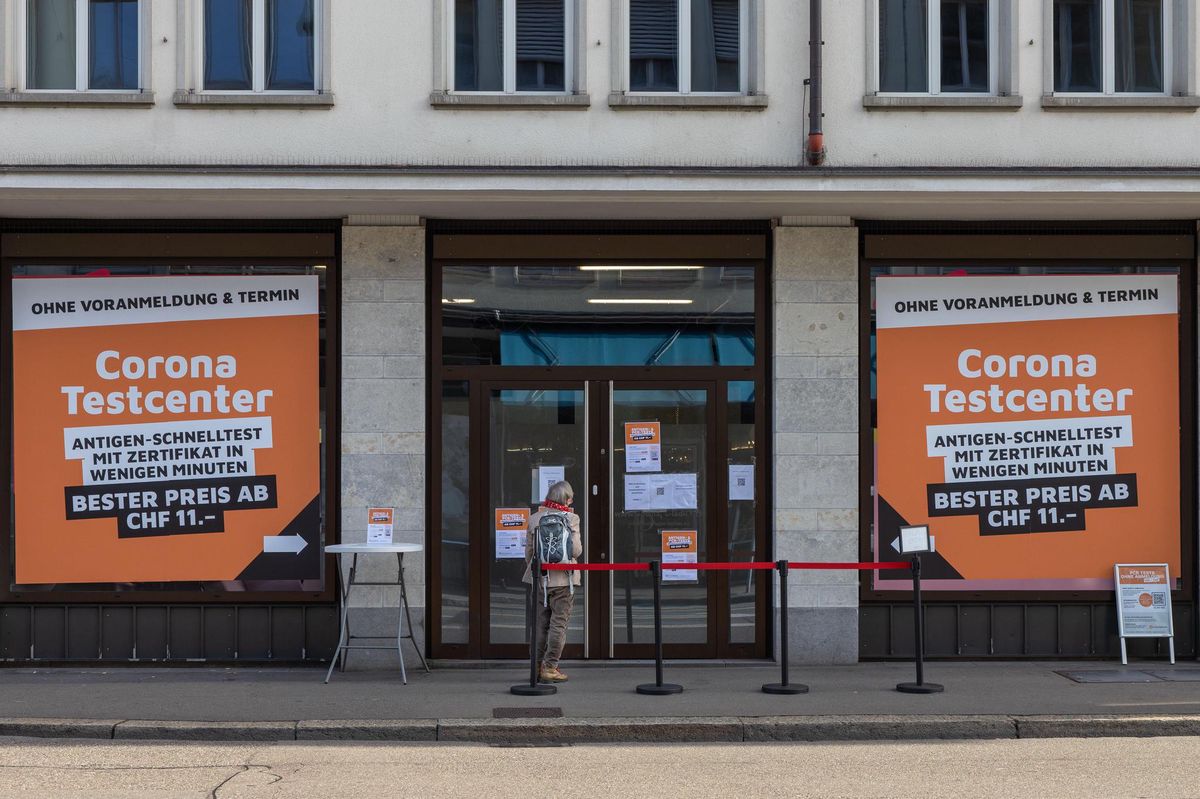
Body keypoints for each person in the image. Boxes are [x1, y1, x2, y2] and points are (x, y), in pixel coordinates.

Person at [522, 480, 582, 683]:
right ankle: (550, 667)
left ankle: (535, 667)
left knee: (540, 625)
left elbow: (529, 553)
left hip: (540, 580)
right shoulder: (571, 518)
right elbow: (576, 551)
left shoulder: (535, 518)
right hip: (564, 580)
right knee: (558, 625)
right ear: (567, 499)